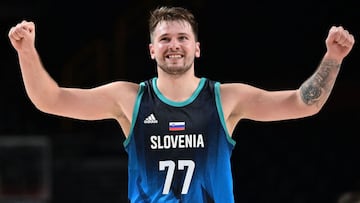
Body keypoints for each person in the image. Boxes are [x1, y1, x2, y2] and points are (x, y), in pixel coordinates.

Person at [8, 5, 354, 203]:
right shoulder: (129, 99)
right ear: (152, 50)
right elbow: (49, 99)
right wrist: (26, 52)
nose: (174, 45)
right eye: (165, 39)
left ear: (197, 47)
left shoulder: (225, 98)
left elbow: (302, 103)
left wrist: (333, 57)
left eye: (182, 38)